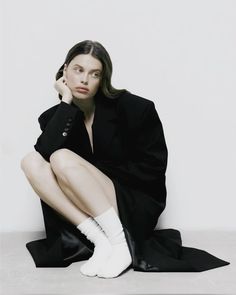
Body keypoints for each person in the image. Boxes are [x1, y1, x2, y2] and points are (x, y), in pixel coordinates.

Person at [20, 40, 229, 278]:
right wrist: (66, 101)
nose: (85, 80)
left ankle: (121, 245)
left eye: (94, 74)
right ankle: (102, 241)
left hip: (131, 200)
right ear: (64, 70)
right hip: (88, 210)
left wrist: (93, 175)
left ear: (103, 78)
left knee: (63, 158)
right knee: (31, 161)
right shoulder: (56, 117)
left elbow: (154, 167)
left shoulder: (135, 108)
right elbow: (43, 152)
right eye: (78, 70)